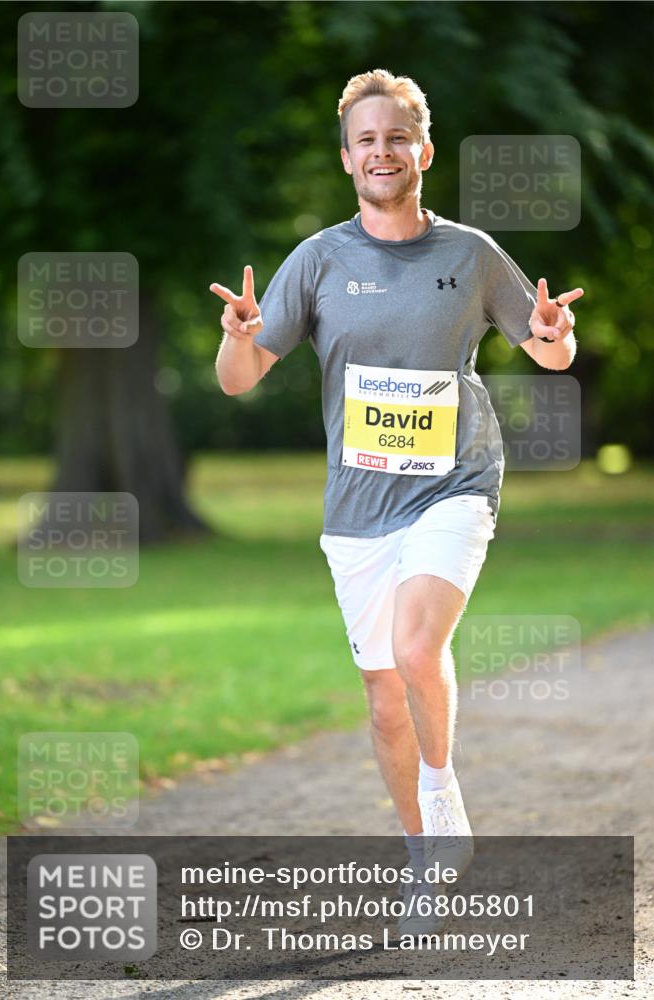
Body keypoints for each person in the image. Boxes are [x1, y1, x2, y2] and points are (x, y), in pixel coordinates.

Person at [210, 68, 583, 936]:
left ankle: (444, 795)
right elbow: (239, 381)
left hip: (455, 483)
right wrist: (235, 339)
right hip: (357, 506)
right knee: (383, 693)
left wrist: (556, 338)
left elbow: (547, 350)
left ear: (423, 149)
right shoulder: (320, 260)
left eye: (396, 137)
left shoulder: (470, 254)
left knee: (419, 646)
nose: (382, 152)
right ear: (348, 159)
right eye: (366, 140)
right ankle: (426, 863)